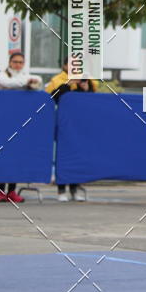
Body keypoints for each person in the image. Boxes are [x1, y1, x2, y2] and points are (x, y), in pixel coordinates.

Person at [45, 56, 97, 201]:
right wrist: (69, 83)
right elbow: (53, 98)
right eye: (72, 64)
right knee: (62, 156)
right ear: (65, 66)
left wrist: (85, 88)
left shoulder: (87, 80)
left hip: (80, 124)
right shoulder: (57, 80)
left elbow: (91, 101)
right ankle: (61, 190)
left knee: (77, 156)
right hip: (62, 123)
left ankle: (74, 189)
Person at [0, 51, 43, 204]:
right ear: (10, 63)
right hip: (3, 122)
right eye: (15, 62)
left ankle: (11, 191)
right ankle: (0, 191)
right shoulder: (3, 75)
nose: (18, 64)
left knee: (15, 155)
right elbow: (7, 83)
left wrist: (28, 81)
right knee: (2, 156)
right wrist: (26, 82)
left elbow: (38, 81)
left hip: (18, 122)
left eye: (20, 62)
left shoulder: (23, 76)